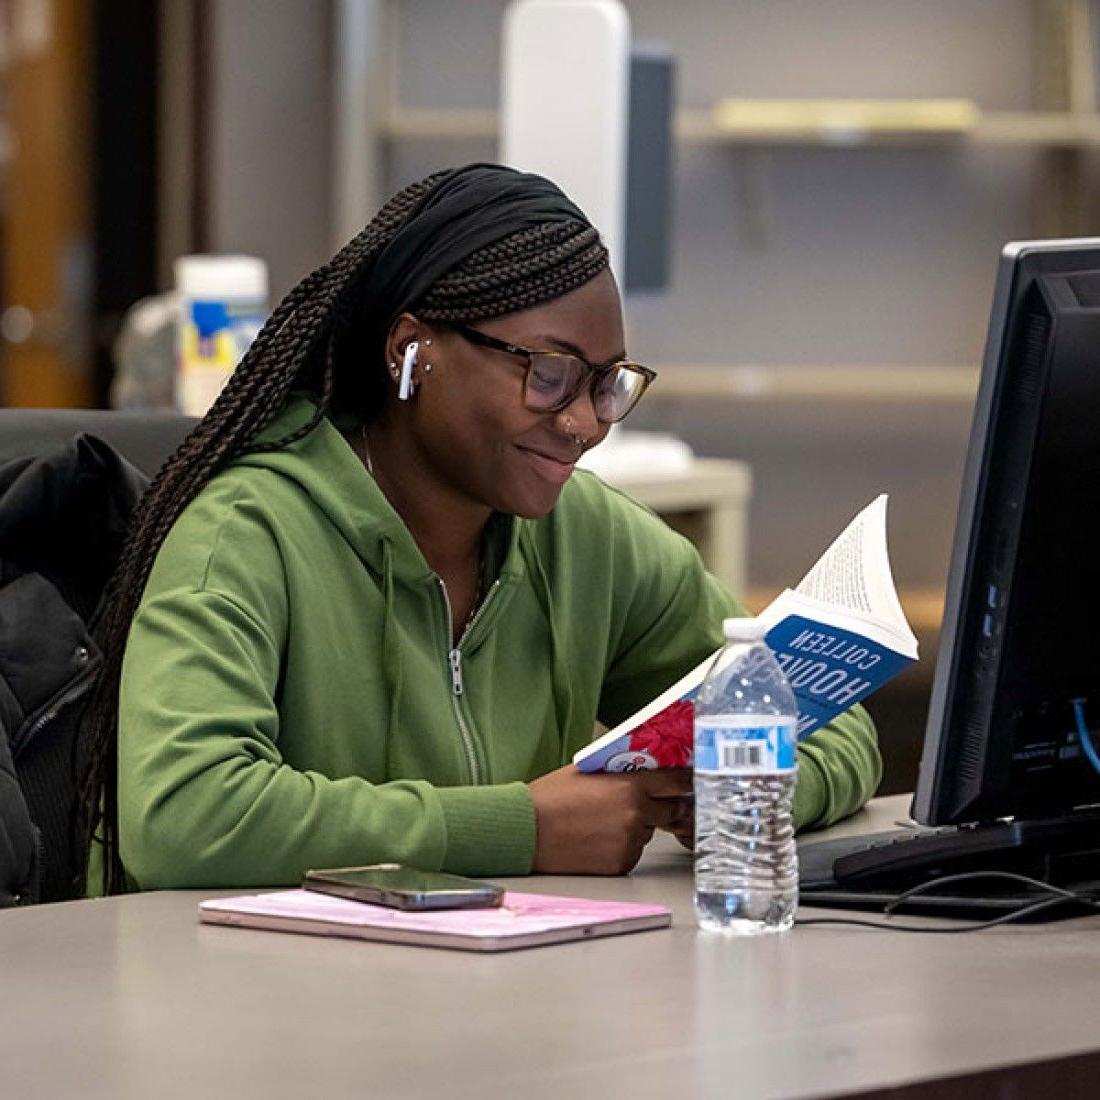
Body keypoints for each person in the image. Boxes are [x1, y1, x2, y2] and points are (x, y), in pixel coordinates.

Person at [79, 163, 881, 893]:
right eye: (548, 372)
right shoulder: (247, 532)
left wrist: (732, 783)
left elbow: (834, 725)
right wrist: (525, 826)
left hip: (498, 1003)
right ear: (411, 351)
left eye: (606, 384)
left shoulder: (587, 537)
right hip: (249, 1012)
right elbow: (185, 816)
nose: (581, 422)